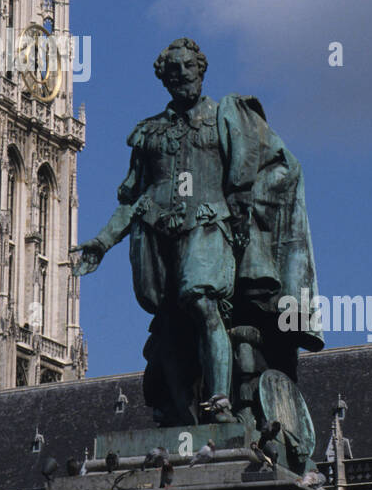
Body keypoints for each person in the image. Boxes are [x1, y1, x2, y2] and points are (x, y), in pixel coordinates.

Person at [74, 38, 322, 426]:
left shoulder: (228, 117)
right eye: (173, 71)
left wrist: (247, 201)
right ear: (164, 79)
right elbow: (134, 200)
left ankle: (221, 401)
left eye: (188, 67)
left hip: (209, 227)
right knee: (169, 325)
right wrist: (103, 241)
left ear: (201, 71)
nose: (182, 75)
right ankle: (180, 414)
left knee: (203, 304)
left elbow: (284, 165)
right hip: (158, 239)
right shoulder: (149, 133)